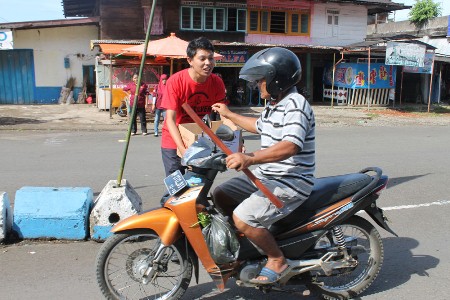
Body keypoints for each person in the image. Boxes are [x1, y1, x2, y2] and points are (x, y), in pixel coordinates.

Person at [211, 47, 315, 285]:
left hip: (290, 181)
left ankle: (277, 258)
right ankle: (245, 246)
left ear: (277, 79)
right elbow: (259, 125)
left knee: (243, 217)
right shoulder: (275, 104)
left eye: (261, 80)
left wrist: (251, 158)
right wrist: (229, 114)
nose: (258, 85)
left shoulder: (295, 105)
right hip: (267, 175)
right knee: (221, 194)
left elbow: (291, 146)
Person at [160, 37, 226, 176]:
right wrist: (184, 151)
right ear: (190, 60)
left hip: (198, 139)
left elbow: (225, 115)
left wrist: (237, 141)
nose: (208, 63)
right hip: (174, 140)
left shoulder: (217, 82)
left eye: (211, 58)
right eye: (202, 59)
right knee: (177, 188)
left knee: (197, 184)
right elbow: (170, 120)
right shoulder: (176, 81)